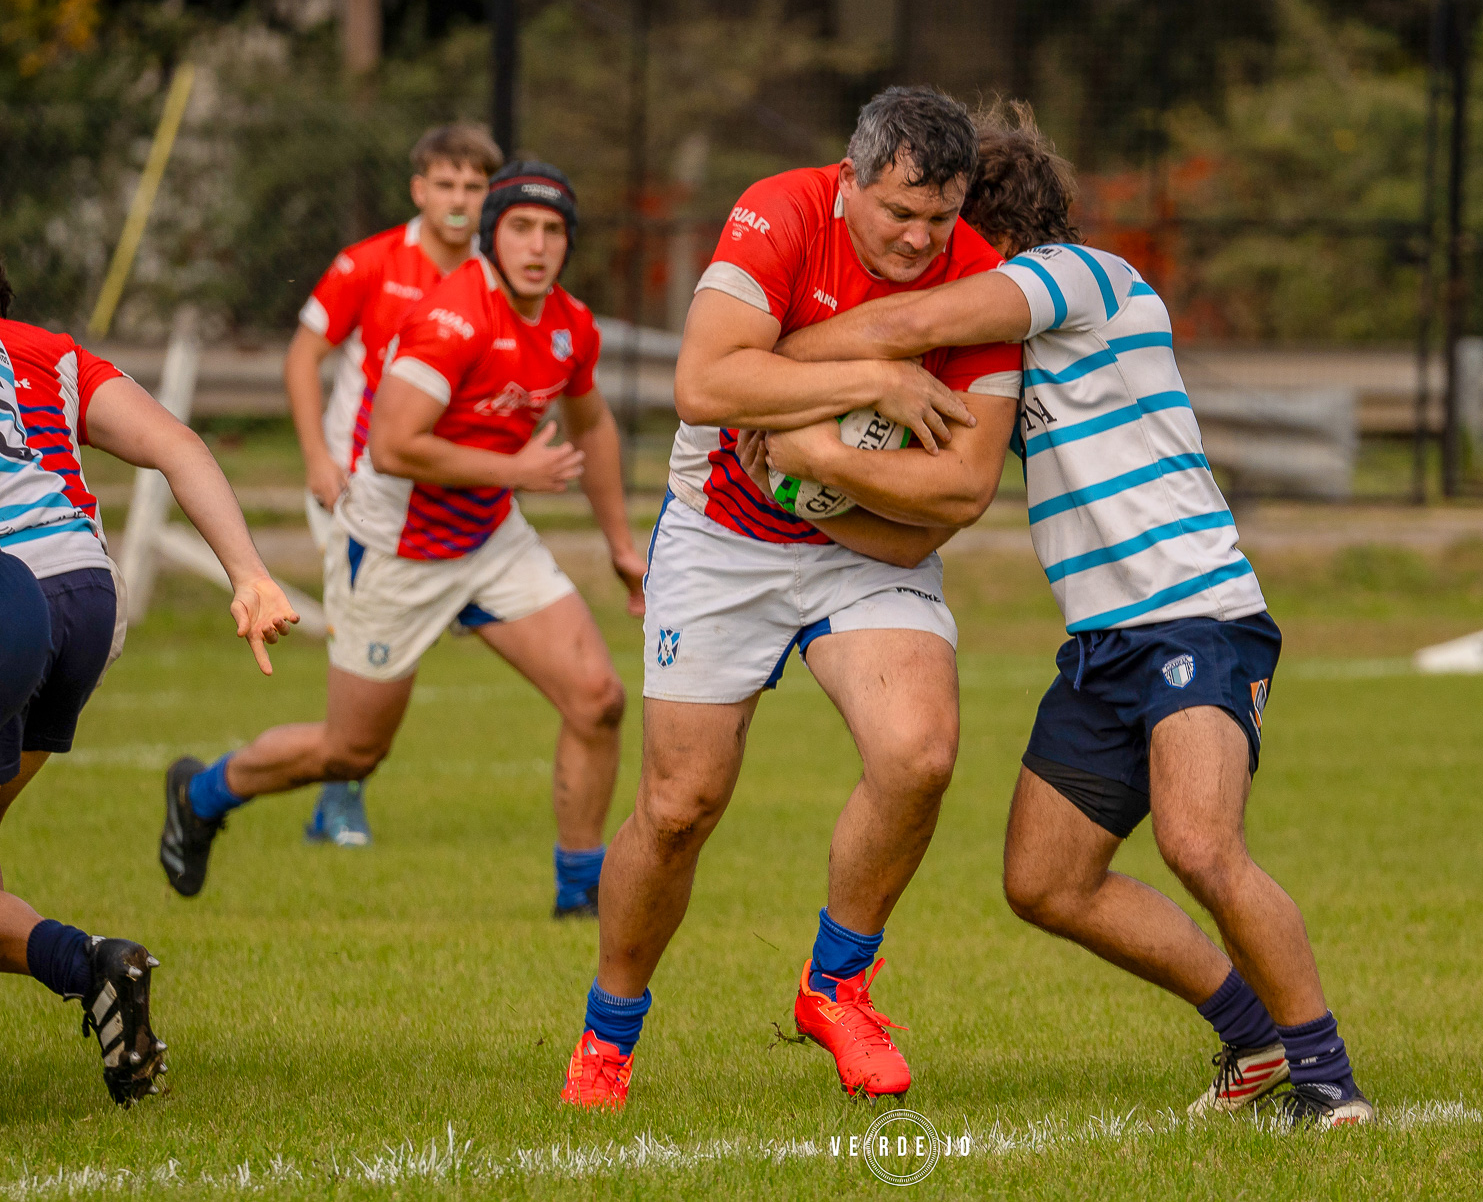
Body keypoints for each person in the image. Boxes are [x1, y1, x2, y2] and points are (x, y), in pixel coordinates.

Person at [750, 103, 1376, 1128]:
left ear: (984, 228)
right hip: (1102, 643)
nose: (920, 252)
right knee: (1046, 881)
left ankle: (1329, 1079)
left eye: (943, 231)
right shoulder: (1007, 349)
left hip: (1197, 617)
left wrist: (770, 369)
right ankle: (1253, 1038)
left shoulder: (1077, 279)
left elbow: (904, 326)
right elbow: (939, 486)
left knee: (1201, 845)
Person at [559, 87, 1022, 1110]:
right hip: (722, 536)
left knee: (920, 755)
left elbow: (965, 490)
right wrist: (884, 377)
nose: (917, 238)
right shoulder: (780, 211)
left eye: (939, 220)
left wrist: (818, 458)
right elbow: (705, 384)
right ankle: (609, 1029)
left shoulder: (982, 279)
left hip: (866, 550)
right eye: (898, 212)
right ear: (849, 180)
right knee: (680, 809)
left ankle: (839, 986)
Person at [160, 162, 647, 921]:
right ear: (493, 235)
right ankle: (202, 792)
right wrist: (515, 467)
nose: (539, 244)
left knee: (598, 699)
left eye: (554, 231)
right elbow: (391, 445)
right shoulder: (450, 317)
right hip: (395, 548)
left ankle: (580, 896)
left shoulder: (570, 324)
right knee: (350, 753)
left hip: (490, 538)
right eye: (521, 226)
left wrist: (621, 543)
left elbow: (593, 423)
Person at [0, 260, 297, 1106]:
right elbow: (177, 443)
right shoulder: (48, 355)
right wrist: (248, 571)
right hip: (85, 594)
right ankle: (93, 966)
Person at [288, 123, 502, 846]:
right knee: (362, 632)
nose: (459, 198)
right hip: (361, 491)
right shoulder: (368, 263)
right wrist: (318, 456)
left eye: (474, 186)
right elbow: (303, 355)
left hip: (450, 498)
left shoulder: (499, 274)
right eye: (446, 183)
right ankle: (339, 795)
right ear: (419, 189)